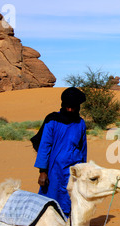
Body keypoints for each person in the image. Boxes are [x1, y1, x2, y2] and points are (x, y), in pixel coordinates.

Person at [31, 87, 87, 217]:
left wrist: (83, 169)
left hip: (73, 170)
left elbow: (83, 148)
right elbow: (45, 146)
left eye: (73, 107)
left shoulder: (80, 123)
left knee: (72, 200)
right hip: (54, 170)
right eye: (67, 106)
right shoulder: (52, 120)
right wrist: (42, 171)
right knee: (51, 201)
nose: (69, 110)